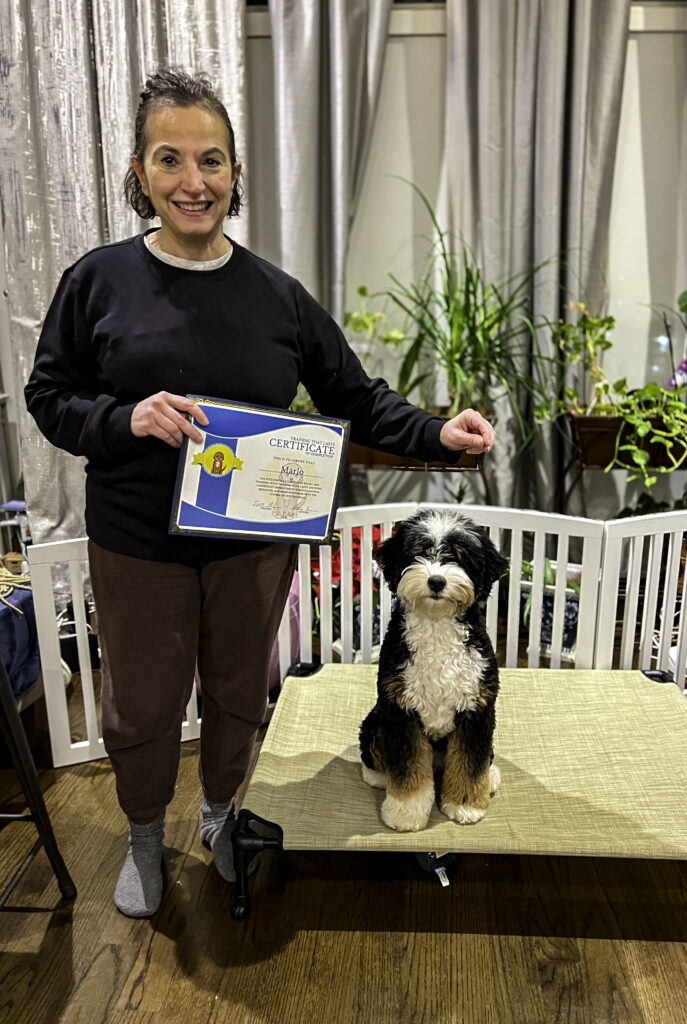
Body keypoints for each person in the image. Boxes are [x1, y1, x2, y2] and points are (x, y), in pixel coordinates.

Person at [25, 67, 496, 918]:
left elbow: (357, 399)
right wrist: (126, 420)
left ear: (237, 174)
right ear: (139, 171)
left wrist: (437, 432)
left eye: (211, 161)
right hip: (137, 541)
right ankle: (142, 835)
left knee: (240, 687)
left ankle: (219, 818)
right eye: (170, 160)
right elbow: (49, 398)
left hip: (252, 539)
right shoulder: (96, 281)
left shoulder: (278, 295)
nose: (192, 181)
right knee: (142, 698)